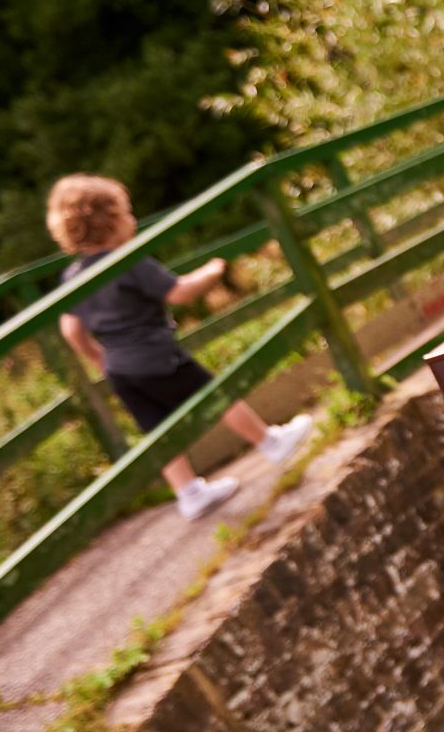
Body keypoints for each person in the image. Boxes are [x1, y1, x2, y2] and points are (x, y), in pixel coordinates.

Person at [46, 173, 315, 521]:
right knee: (215, 394)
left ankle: (189, 492)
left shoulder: (72, 277)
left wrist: (97, 356)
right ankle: (269, 442)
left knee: (157, 429)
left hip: (119, 369)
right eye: (127, 213)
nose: (133, 220)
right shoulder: (129, 262)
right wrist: (212, 271)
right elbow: (179, 292)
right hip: (155, 355)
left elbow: (70, 328)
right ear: (110, 222)